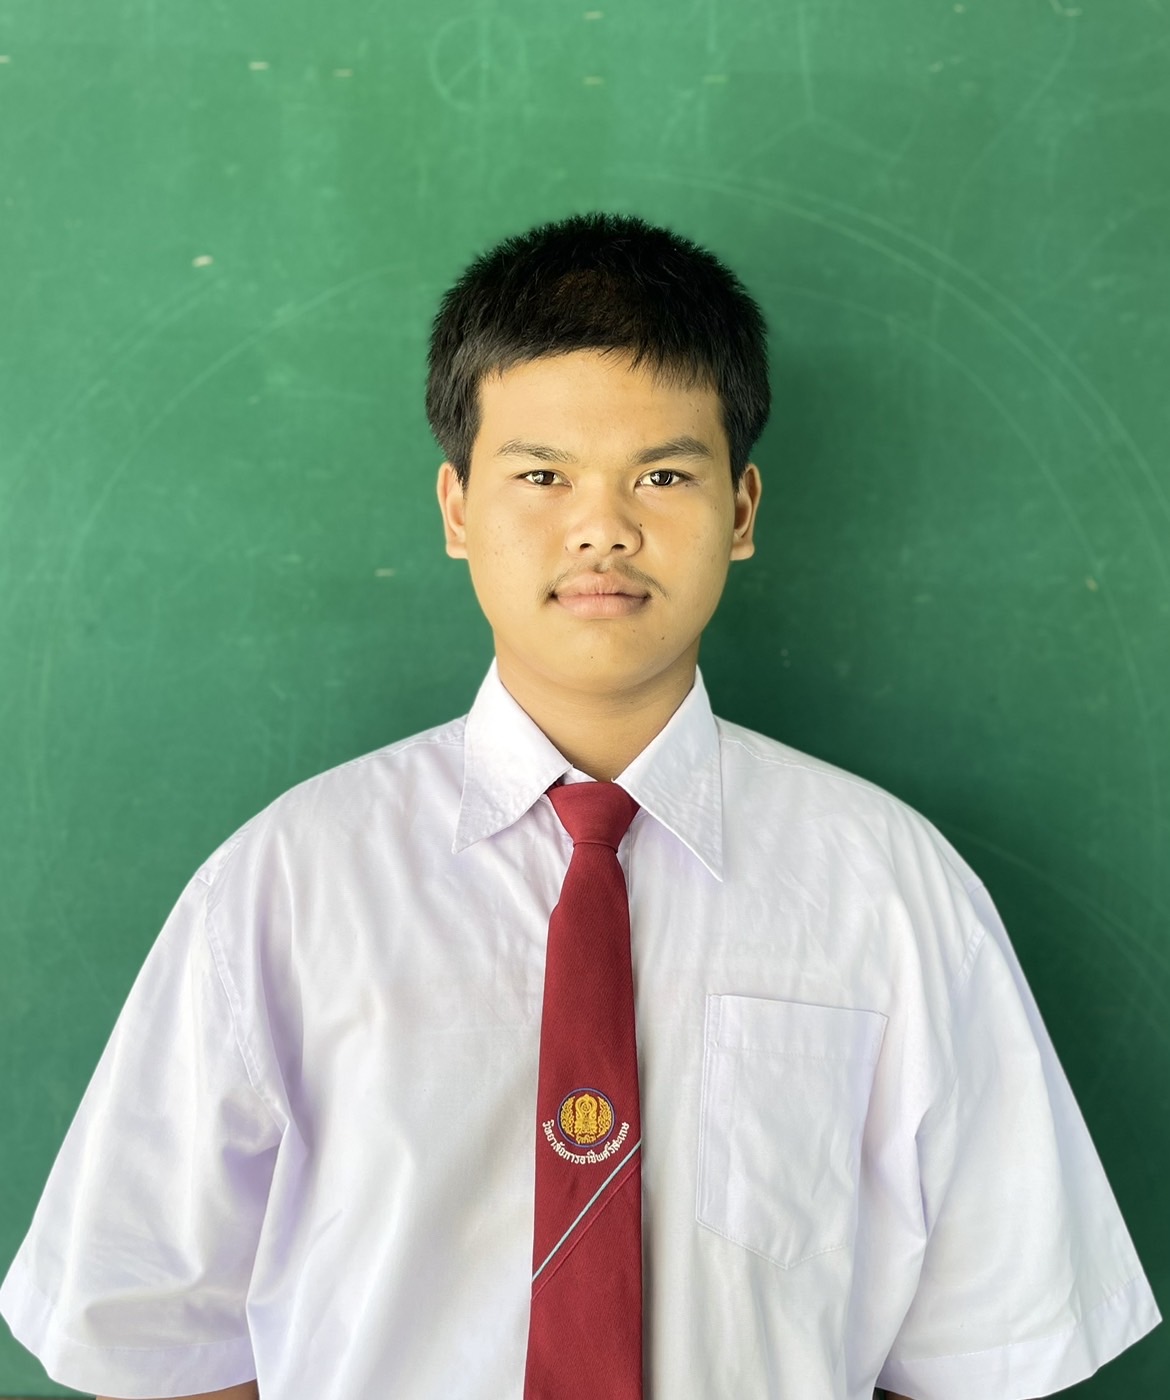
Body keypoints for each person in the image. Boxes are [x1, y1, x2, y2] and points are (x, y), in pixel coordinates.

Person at [0, 212, 1160, 1400]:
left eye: (662, 474)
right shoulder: (285, 885)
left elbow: (985, 1346)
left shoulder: (890, 889)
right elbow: (155, 1335)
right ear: (457, 508)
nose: (603, 525)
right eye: (542, 475)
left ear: (742, 509)